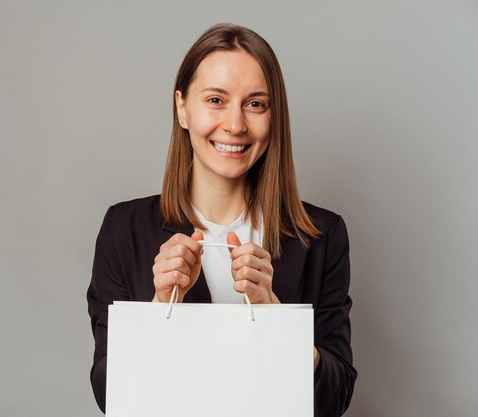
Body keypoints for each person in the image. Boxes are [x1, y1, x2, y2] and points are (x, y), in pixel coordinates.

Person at [86, 23, 356, 417]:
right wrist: (160, 306)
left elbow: (335, 399)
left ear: (273, 116)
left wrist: (273, 315)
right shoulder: (122, 229)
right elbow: (108, 394)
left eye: (256, 104)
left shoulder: (321, 234)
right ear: (182, 108)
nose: (235, 125)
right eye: (216, 100)